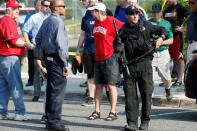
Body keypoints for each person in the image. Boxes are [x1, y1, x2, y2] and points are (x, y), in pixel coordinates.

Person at [119, 5, 166, 131]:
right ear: (127, 16)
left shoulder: (147, 25)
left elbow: (163, 30)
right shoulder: (123, 30)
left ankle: (145, 121)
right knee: (130, 97)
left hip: (145, 64)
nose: (134, 16)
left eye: (136, 14)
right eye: (132, 14)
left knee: (146, 95)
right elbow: (116, 45)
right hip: (129, 66)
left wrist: (161, 38)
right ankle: (132, 123)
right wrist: (117, 47)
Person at [35, 0, 69, 130]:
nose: (65, 8)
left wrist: (43, 53)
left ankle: (51, 120)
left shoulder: (47, 20)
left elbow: (37, 39)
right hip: (56, 60)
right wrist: (65, 65)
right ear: (55, 8)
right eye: (63, 6)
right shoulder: (58, 22)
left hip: (48, 59)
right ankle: (54, 122)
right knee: (57, 92)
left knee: (51, 91)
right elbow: (61, 46)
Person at [87, 2, 124, 121]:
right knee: (98, 86)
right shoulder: (96, 23)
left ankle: (113, 112)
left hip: (110, 58)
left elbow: (125, 29)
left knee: (111, 85)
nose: (92, 13)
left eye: (94, 11)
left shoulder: (112, 21)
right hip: (98, 58)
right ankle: (97, 111)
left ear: (99, 11)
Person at [0, 0, 34, 120]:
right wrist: (27, 44)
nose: (17, 10)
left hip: (4, 57)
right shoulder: (8, 21)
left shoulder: (7, 20)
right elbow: (13, 40)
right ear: (8, 9)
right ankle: (20, 113)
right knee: (15, 86)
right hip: (9, 58)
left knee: (3, 86)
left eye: (18, 8)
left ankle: (2, 112)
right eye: (14, 8)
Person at [23, 0, 51, 102]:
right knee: (37, 72)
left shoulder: (51, 17)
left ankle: (49, 94)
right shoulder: (34, 17)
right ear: (41, 6)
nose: (47, 7)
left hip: (49, 48)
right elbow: (25, 30)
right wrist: (28, 43)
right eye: (44, 5)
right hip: (37, 46)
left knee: (49, 71)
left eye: (49, 6)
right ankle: (36, 94)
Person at [149, 3, 174, 101]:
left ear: (161, 12)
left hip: (163, 52)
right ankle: (148, 97)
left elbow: (171, 40)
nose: (155, 14)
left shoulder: (166, 24)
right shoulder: (148, 22)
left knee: (166, 77)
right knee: (149, 77)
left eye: (157, 12)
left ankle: (167, 89)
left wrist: (160, 42)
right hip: (151, 53)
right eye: (154, 12)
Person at [163, 0, 190, 86]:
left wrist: (184, 27)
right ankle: (168, 80)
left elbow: (191, 17)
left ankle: (180, 79)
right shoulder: (166, 10)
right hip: (168, 37)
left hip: (177, 36)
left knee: (179, 57)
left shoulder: (181, 8)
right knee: (168, 57)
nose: (167, 0)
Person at [23, 0, 42, 87]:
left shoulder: (45, 16)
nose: (41, 6)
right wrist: (29, 41)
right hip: (32, 40)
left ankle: (41, 79)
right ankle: (31, 79)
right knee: (31, 61)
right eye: (39, 5)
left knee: (42, 62)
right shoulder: (30, 16)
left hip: (42, 42)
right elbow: (26, 29)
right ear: (35, 6)